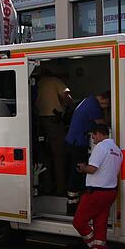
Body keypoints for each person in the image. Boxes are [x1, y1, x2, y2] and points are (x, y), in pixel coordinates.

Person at [73, 124, 122, 249]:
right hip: (110, 192)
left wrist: (82, 168)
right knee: (100, 226)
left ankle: (96, 246)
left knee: (79, 222)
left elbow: (93, 169)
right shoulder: (118, 151)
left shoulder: (100, 148)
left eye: (93, 135)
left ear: (99, 134)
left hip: (96, 193)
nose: (92, 139)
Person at [65, 89, 110, 214]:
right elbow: (103, 127)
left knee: (76, 172)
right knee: (78, 172)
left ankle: (74, 204)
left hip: (72, 141)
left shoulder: (88, 100)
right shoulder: (94, 106)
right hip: (78, 143)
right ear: (105, 99)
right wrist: (105, 111)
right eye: (107, 104)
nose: (106, 107)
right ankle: (73, 208)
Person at [33, 66, 74, 196]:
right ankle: (61, 189)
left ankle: (46, 187)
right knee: (59, 156)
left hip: (39, 123)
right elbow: (66, 96)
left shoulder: (37, 83)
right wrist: (71, 105)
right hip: (54, 122)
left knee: (45, 157)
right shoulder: (55, 81)